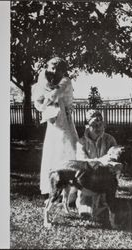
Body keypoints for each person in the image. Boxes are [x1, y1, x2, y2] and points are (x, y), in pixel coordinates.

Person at [33, 57, 79, 198]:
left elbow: (55, 94)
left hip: (64, 120)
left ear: (63, 70)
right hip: (53, 122)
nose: (55, 71)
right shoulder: (46, 82)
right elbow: (38, 101)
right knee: (52, 150)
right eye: (52, 68)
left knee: (66, 148)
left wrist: (46, 97)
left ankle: (70, 192)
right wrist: (43, 106)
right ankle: (53, 188)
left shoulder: (65, 81)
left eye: (58, 69)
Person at [75, 109, 118, 215]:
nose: (98, 127)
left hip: (104, 173)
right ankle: (85, 202)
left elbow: (114, 157)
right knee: (86, 209)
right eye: (94, 124)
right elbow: (82, 161)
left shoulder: (109, 139)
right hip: (87, 176)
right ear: (87, 126)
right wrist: (100, 161)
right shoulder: (81, 142)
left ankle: (103, 201)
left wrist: (109, 161)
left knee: (107, 191)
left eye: (100, 124)